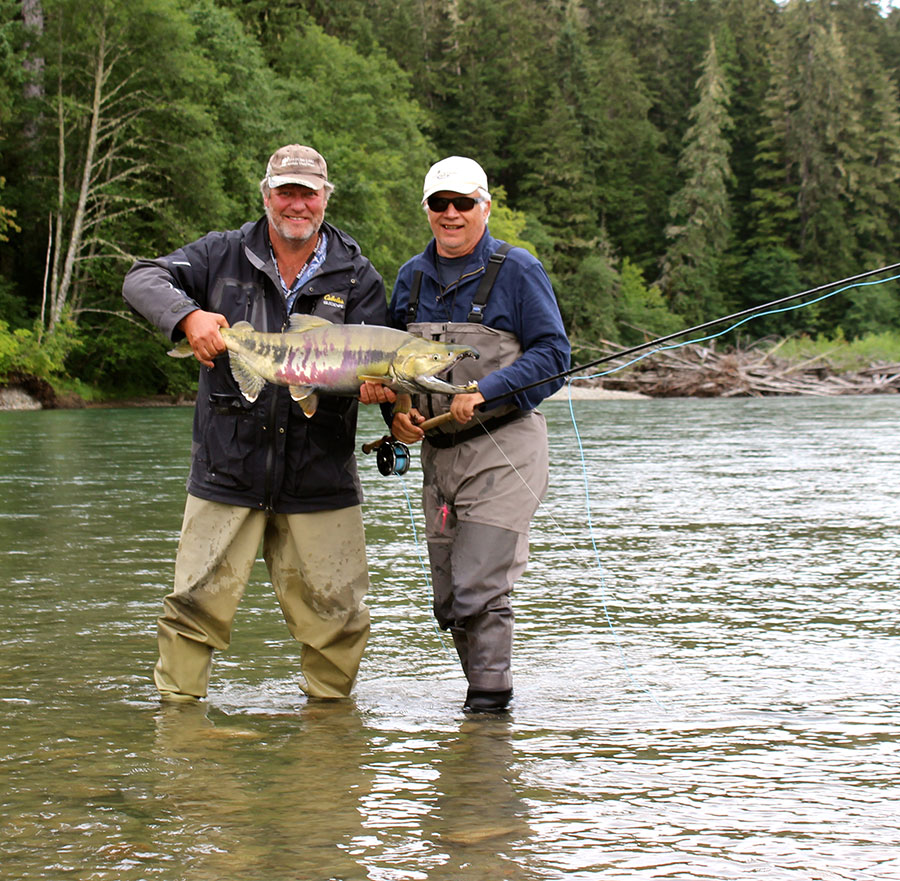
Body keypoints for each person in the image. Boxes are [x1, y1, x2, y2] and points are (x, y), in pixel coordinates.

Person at [123, 144, 387, 704]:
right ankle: (181, 740)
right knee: (193, 608)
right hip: (227, 466)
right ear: (266, 195)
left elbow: (384, 371)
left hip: (321, 477)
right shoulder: (221, 255)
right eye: (285, 192)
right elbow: (142, 279)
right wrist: (186, 316)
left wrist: (388, 399)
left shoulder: (359, 277)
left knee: (339, 620)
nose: (297, 204)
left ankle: (328, 750)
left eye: (308, 193)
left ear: (324, 199)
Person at [367, 156, 570, 714]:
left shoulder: (519, 269)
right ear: (427, 210)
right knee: (450, 599)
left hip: (507, 447)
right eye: (440, 204)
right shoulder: (410, 277)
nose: (451, 214)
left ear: (485, 206)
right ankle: (482, 724)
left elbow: (555, 355)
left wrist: (488, 390)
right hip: (439, 455)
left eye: (463, 203)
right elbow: (393, 366)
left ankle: (488, 709)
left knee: (479, 585)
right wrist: (397, 414)